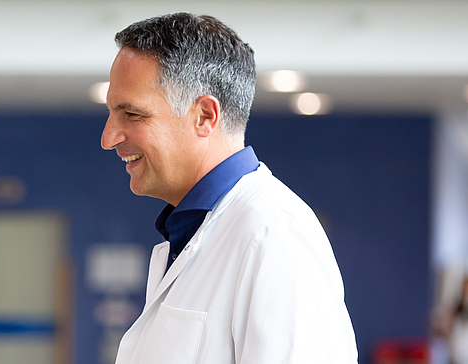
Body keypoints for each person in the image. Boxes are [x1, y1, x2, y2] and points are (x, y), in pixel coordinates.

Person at [101, 13, 357, 363]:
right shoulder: (190, 233)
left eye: (131, 114)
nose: (108, 138)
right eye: (111, 113)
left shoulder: (274, 233)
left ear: (205, 116)